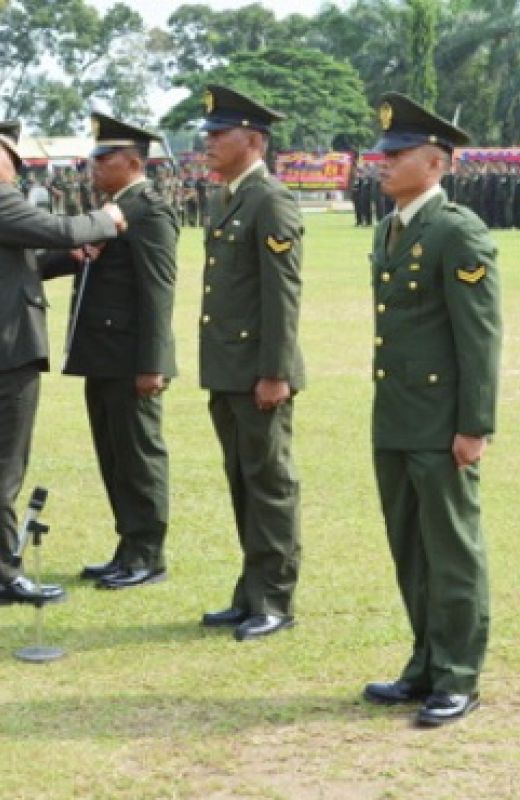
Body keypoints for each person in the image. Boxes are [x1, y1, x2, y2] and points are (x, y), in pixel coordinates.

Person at [0, 120, 126, 605]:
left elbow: (12, 265)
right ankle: (0, 574)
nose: (15, 174)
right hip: (5, 352)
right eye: (14, 162)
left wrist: (71, 258)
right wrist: (108, 219)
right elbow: (58, 229)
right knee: (2, 466)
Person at [362, 92, 502, 728]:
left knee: (451, 550)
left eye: (397, 154)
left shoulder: (456, 231)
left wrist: (473, 426)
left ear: (437, 164)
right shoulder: (390, 227)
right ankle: (424, 662)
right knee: (410, 548)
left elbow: (479, 336)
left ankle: (457, 675)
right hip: (396, 416)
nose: (382, 163)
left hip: (442, 423)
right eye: (383, 154)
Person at [40, 114, 180, 590]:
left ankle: (147, 554)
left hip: (130, 357)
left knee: (139, 456)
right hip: (101, 354)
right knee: (113, 454)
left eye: (105, 157)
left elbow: (157, 290)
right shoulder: (112, 206)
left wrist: (152, 363)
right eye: (94, 156)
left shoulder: (149, 210)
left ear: (135, 162)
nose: (93, 164)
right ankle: (127, 546)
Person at [196, 84, 305, 642]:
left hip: (259, 372)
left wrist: (276, 372)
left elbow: (281, 295)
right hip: (228, 369)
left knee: (269, 482)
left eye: (219, 134)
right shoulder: (226, 197)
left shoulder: (271, 200)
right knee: (242, 480)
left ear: (254, 140)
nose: (208, 142)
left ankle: (275, 598)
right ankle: (251, 591)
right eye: (208, 134)